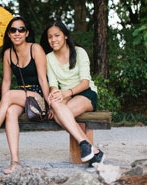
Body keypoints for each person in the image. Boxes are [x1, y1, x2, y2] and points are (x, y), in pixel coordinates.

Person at [0, 17, 49, 174]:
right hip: (20, 96)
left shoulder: (36, 49)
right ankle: (15, 162)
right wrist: (2, 107)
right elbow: (5, 82)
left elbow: (42, 78)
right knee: (10, 111)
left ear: (26, 33)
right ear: (9, 35)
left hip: (38, 95)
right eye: (13, 30)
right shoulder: (7, 54)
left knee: (11, 95)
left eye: (21, 30)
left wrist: (49, 103)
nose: (17, 33)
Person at [40, 21, 105, 167]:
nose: (53, 40)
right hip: (65, 95)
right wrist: (55, 94)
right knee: (56, 107)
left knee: (59, 115)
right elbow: (53, 84)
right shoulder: (49, 57)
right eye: (50, 37)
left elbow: (85, 83)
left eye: (57, 35)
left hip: (85, 93)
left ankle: (87, 146)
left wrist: (64, 94)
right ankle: (91, 148)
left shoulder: (79, 52)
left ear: (65, 36)